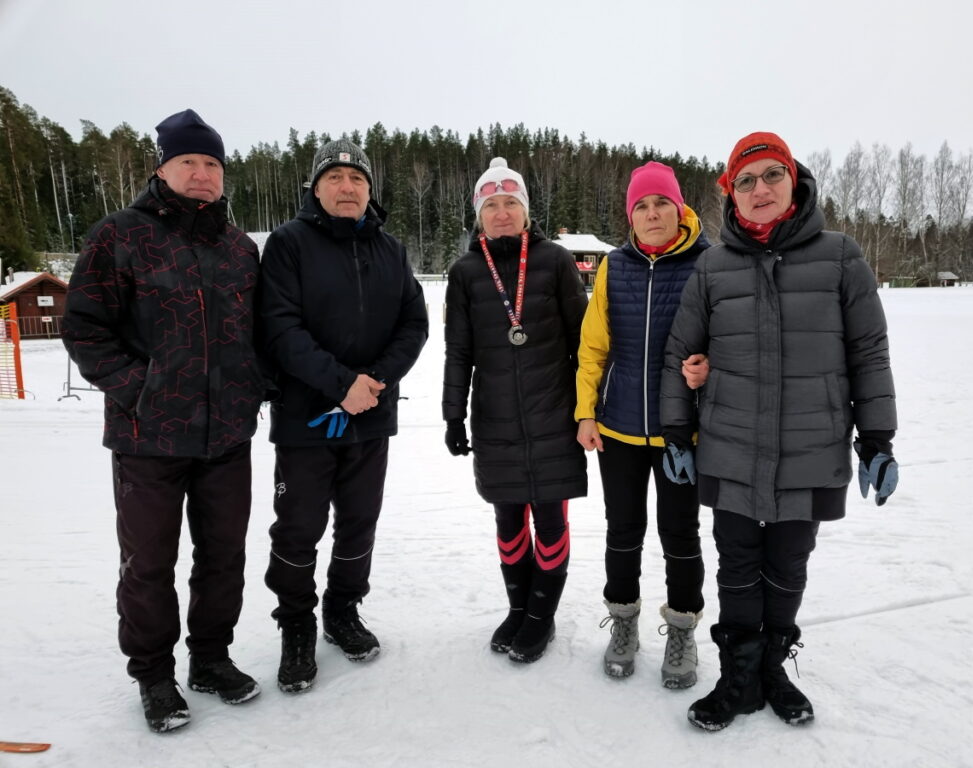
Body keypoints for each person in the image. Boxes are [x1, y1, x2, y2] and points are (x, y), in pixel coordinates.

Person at [661, 131, 899, 731]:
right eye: (746, 180)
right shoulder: (712, 266)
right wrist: (675, 432)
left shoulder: (841, 256)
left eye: (772, 175)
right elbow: (680, 354)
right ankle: (738, 675)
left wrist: (877, 438)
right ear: (730, 196)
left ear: (794, 183)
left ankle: (772, 667)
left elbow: (869, 352)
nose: (760, 188)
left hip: (810, 447)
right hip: (731, 444)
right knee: (737, 563)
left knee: (789, 565)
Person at [62, 109, 265, 733]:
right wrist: (138, 390)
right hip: (148, 437)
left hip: (227, 434)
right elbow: (83, 327)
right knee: (148, 562)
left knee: (223, 555)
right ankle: (153, 675)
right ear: (163, 167)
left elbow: (260, 332)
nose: (201, 174)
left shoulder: (238, 247)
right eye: (189, 162)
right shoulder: (119, 235)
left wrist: (254, 390)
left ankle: (210, 658)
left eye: (212, 165)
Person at [259, 138, 428, 693]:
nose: (347, 187)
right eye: (335, 177)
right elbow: (280, 328)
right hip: (306, 417)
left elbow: (413, 325)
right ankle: (297, 622)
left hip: (370, 416)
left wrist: (372, 384)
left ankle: (342, 609)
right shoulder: (287, 244)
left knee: (359, 521)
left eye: (357, 179)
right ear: (315, 187)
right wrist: (339, 384)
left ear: (370, 190)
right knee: (300, 525)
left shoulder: (390, 248)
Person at [442, 158, 589, 663]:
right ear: (479, 214)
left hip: (555, 414)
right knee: (508, 520)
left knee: (550, 518)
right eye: (491, 205)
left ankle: (541, 616)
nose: (501, 213)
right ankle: (518, 606)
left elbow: (585, 344)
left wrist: (588, 410)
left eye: (511, 204)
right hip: (496, 419)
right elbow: (458, 349)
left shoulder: (555, 260)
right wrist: (452, 414)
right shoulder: (464, 272)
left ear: (526, 211)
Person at [576, 161, 711, 687]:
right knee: (623, 530)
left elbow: (727, 337)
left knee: (681, 533)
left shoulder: (709, 261)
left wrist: (710, 368)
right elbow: (593, 347)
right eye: (641, 206)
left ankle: (682, 630)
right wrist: (586, 411)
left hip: (684, 431)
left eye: (661, 203)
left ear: (678, 208)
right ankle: (624, 623)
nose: (652, 214)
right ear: (630, 215)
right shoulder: (616, 265)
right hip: (620, 428)